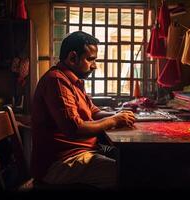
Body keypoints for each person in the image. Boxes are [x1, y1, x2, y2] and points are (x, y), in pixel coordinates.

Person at [31, 31, 135, 189]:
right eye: (90, 59)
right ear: (72, 58)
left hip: (83, 152)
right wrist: (114, 120)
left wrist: (121, 115)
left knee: (135, 159)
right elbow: (74, 128)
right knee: (133, 173)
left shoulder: (73, 81)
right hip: (61, 163)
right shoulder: (56, 81)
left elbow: (94, 112)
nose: (94, 66)